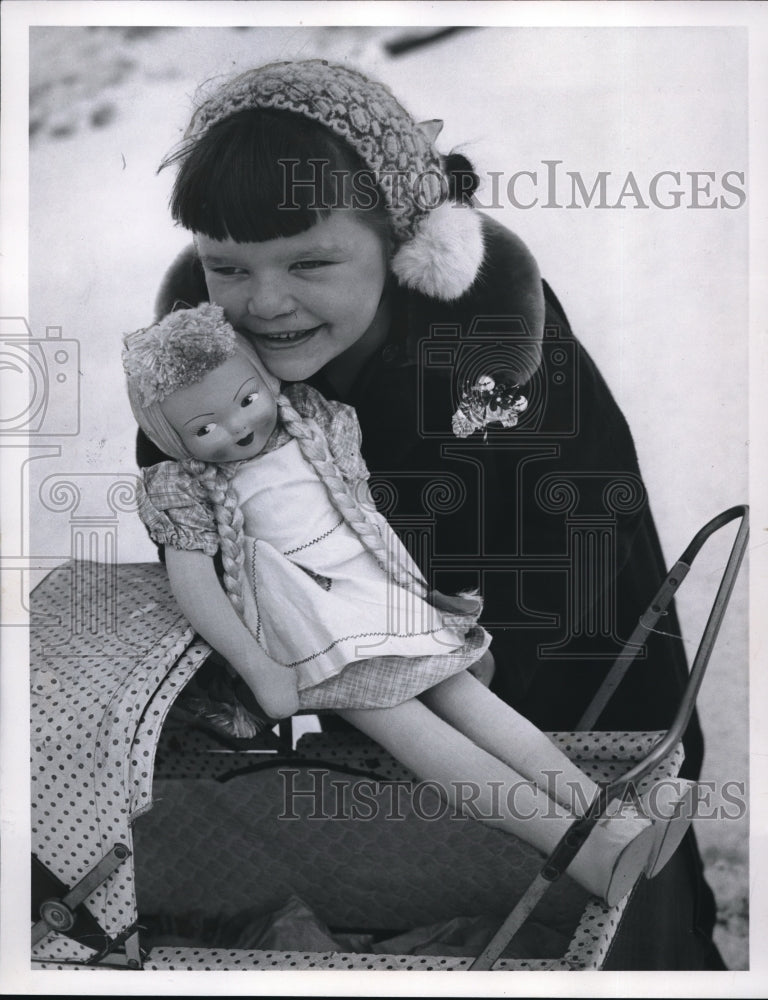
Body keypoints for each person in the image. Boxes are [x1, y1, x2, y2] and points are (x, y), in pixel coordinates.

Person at [135, 59, 724, 967]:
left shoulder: (492, 353)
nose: (263, 301)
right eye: (227, 266)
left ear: (408, 244)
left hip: (547, 647)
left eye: (311, 262)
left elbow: (565, 552)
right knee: (390, 895)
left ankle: (655, 932)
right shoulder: (210, 374)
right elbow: (198, 534)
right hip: (343, 680)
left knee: (593, 906)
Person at [124, 301, 696, 910]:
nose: (237, 428)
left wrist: (421, 594)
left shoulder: (309, 425)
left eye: (244, 401)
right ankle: (582, 855)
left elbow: (366, 518)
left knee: (484, 710)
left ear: (265, 381)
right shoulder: (182, 486)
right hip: (314, 626)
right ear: (170, 438)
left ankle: (605, 813)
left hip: (382, 600)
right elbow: (196, 585)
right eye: (203, 427)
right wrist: (262, 669)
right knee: (426, 742)